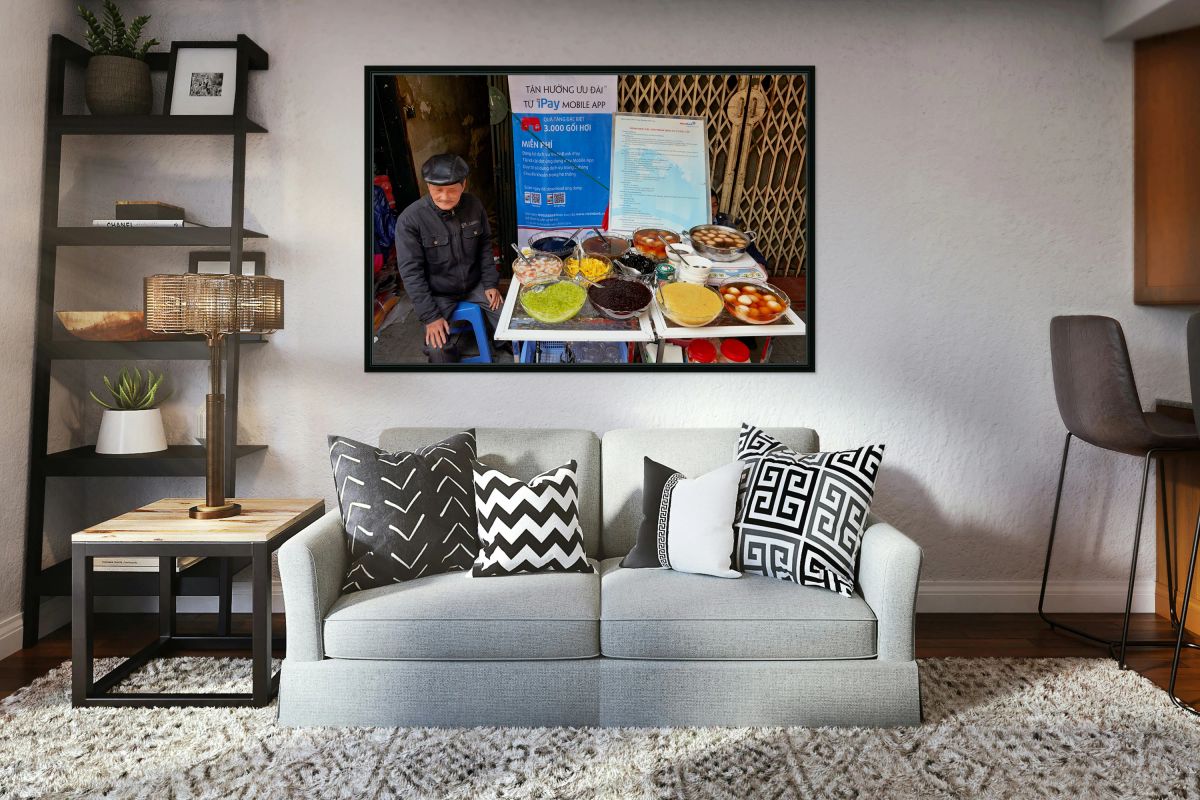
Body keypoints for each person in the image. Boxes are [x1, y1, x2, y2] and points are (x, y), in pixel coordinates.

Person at [394, 154, 502, 363]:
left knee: (507, 320)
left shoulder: (474, 205)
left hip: (474, 284)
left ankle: (502, 344)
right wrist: (430, 316)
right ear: (428, 186)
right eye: (437, 190)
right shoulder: (410, 220)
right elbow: (411, 273)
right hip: (439, 294)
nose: (445, 196)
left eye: (452, 189)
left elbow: (485, 247)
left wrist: (490, 283)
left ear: (464, 184)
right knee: (437, 351)